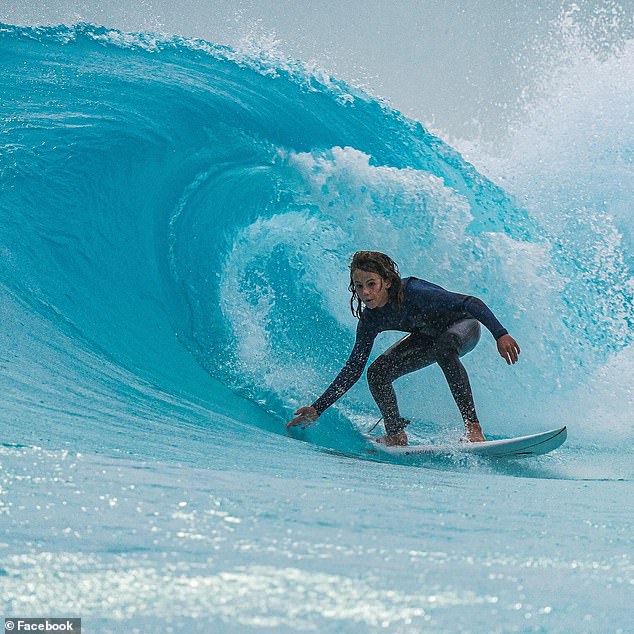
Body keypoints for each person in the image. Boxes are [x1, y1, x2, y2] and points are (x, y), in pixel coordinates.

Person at [287, 251, 520, 446]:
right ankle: (395, 434)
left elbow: (471, 303)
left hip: (463, 326)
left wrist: (500, 334)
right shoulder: (370, 320)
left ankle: (473, 428)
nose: (366, 292)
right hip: (427, 337)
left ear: (386, 282)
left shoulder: (414, 292)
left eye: (371, 284)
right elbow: (354, 367)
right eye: (359, 286)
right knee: (377, 373)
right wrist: (318, 408)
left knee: (444, 347)